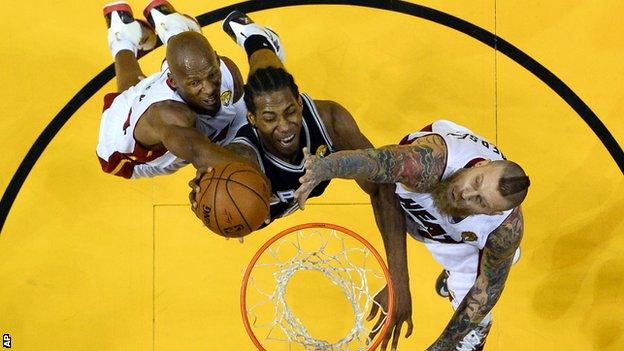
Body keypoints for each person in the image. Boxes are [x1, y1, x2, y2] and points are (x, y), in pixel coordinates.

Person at [187, 11, 415, 349]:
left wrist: (399, 280)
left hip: (299, 136)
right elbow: (208, 169)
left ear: (300, 103)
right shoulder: (243, 163)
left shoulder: (329, 120)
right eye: (268, 119)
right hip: (225, 136)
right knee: (187, 124)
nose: (285, 126)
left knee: (270, 79)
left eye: (291, 111)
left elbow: (382, 186)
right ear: (252, 120)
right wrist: (204, 196)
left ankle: (255, 39)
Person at [295, 120, 530, 350]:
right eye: (476, 182)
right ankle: (485, 259)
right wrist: (325, 168)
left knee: (479, 296)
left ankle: (481, 267)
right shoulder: (428, 163)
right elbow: (373, 162)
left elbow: (486, 293)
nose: (465, 193)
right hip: (425, 196)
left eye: (480, 200)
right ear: (481, 165)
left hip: (458, 244)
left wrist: (441, 347)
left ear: (493, 211)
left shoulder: (504, 229)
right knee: (398, 189)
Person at [96, 1, 282, 178]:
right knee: (130, 90)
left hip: (178, 86)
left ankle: (166, 28)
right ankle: (123, 38)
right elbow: (201, 154)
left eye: (212, 75)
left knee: (189, 63)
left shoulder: (225, 71)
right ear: (172, 81)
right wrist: (269, 180)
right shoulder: (168, 115)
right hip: (122, 144)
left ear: (217, 61)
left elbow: (247, 121)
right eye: (195, 84)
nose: (209, 89)